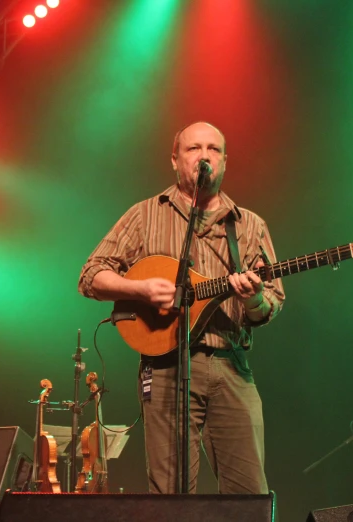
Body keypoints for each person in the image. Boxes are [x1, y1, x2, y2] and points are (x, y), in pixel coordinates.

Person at [78, 122, 285, 494]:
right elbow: (91, 275)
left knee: (249, 493)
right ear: (175, 160)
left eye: (213, 149)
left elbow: (268, 306)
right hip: (166, 368)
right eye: (193, 149)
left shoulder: (249, 225)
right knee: (170, 497)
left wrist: (251, 298)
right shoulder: (145, 215)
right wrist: (139, 289)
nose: (204, 156)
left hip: (231, 365)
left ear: (224, 161)